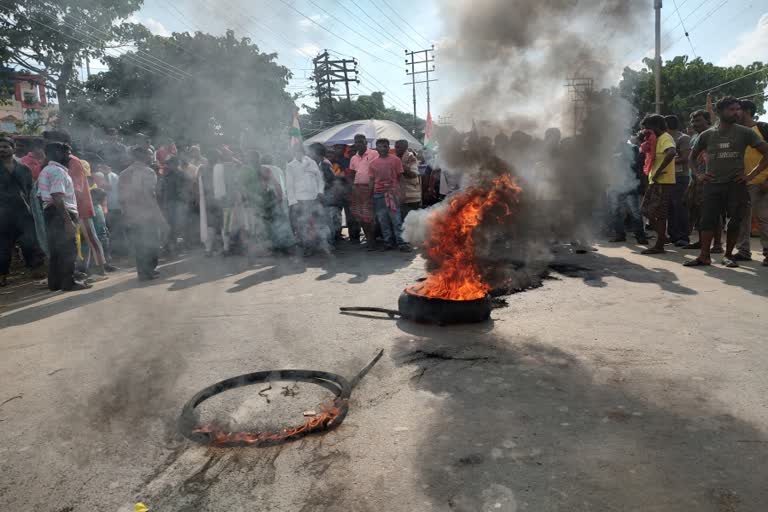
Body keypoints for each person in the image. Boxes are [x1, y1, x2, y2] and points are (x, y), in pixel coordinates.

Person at [685, 96, 768, 268]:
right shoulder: (707, 135)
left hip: (736, 184)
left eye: (738, 109)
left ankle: (728, 255)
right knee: (707, 221)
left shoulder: (746, 132)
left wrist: (751, 175)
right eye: (732, 109)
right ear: (719, 112)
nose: (737, 112)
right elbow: (691, 158)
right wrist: (699, 175)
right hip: (712, 184)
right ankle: (704, 256)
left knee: (735, 221)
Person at [43, 131, 113, 276]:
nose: (46, 143)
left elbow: (77, 187)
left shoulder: (71, 161)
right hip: (68, 206)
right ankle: (83, 270)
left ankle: (100, 270)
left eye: (50, 140)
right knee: (79, 241)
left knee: (90, 237)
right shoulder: (56, 162)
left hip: (79, 206)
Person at [37, 142, 90, 291]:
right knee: (68, 250)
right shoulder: (58, 172)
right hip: (61, 213)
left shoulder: (46, 170)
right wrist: (67, 221)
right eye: (68, 153)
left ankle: (55, 283)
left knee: (56, 250)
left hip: (51, 213)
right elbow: (57, 196)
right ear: (57, 154)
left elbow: (43, 197)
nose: (70, 157)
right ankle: (69, 282)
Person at [0, 136, 45, 287]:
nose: (2, 149)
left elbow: (29, 190)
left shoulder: (23, 168)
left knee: (30, 242)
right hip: (2, 214)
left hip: (23, 212)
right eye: (0, 147)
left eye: (5, 146)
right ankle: (2, 275)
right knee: (3, 245)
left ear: (12, 149)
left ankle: (35, 269)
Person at [119, 147, 165, 281]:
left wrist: (125, 213)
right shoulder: (148, 172)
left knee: (139, 244)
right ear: (144, 156)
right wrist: (159, 216)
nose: (152, 157)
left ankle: (143, 272)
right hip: (146, 214)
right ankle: (148, 271)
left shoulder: (123, 173)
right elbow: (149, 196)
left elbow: (121, 197)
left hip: (131, 214)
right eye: (150, 155)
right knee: (152, 243)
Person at [683, 110, 723, 253]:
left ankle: (717, 244)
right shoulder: (694, 137)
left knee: (714, 212)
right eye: (693, 121)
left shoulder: (714, 134)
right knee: (699, 211)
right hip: (696, 178)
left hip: (711, 178)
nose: (694, 124)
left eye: (698, 121)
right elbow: (692, 159)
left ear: (708, 120)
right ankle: (701, 241)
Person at [735, 99, 768, 265]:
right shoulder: (737, 132)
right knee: (742, 218)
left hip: (762, 182)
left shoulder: (763, 128)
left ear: (746, 111)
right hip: (742, 182)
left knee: (764, 218)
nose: (734, 113)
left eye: (737, 109)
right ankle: (743, 251)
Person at [639, 115, 677, 255]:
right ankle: (663, 238)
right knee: (646, 211)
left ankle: (660, 245)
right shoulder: (655, 140)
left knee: (659, 214)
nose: (645, 131)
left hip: (663, 181)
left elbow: (672, 152)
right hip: (656, 181)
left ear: (656, 127)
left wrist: (659, 171)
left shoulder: (665, 138)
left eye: (647, 128)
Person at [285, 143, 328, 255]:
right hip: (299, 200)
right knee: (301, 224)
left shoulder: (311, 163)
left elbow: (320, 179)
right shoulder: (290, 166)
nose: (298, 153)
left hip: (313, 198)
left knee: (313, 223)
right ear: (293, 153)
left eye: (300, 151)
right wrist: (293, 202)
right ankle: (305, 247)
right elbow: (289, 186)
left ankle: (316, 246)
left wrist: (320, 192)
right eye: (296, 151)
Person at [369, 138, 412, 251]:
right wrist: (370, 196)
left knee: (396, 219)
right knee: (383, 220)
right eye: (380, 146)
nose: (383, 148)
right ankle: (388, 242)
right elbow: (372, 181)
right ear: (376, 148)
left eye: (385, 146)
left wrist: (402, 193)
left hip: (393, 194)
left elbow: (400, 178)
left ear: (389, 147)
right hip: (378, 194)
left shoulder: (396, 160)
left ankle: (401, 243)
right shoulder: (373, 163)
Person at [609, 139, 648, 244]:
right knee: (616, 211)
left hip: (629, 184)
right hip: (615, 184)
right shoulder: (610, 149)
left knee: (634, 212)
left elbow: (637, 165)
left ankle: (640, 236)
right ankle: (619, 235)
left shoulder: (633, 148)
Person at [309, 143, 344, 245]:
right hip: (323, 199)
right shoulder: (317, 163)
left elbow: (331, 182)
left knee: (328, 223)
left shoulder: (325, 165)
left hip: (327, 199)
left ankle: (329, 245)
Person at [158, 155, 193, 256]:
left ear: (175, 164)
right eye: (168, 164)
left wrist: (184, 197)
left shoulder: (182, 175)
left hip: (179, 203)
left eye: (170, 163)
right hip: (169, 203)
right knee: (170, 226)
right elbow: (161, 190)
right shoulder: (166, 175)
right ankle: (169, 247)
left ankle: (178, 247)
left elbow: (188, 187)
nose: (168, 165)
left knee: (179, 226)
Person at [665, 115, 691, 247]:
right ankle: (673, 235)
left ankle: (683, 236)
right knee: (669, 208)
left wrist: (663, 163)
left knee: (680, 207)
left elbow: (685, 158)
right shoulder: (665, 139)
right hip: (667, 177)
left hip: (680, 177)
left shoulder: (683, 138)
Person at [349, 134, 379, 248]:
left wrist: (373, 188)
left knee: (369, 216)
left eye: (361, 142)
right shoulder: (353, 158)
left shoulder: (374, 154)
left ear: (366, 142)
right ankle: (368, 239)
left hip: (370, 187)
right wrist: (352, 188)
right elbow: (352, 174)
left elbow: (377, 171)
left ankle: (372, 241)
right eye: (356, 142)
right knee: (360, 216)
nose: (358, 144)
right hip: (357, 189)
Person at [395, 140, 421, 221]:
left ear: (405, 147)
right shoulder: (397, 158)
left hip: (411, 198)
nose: (396, 149)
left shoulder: (411, 157)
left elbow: (414, 174)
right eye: (396, 147)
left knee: (410, 223)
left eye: (398, 147)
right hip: (401, 198)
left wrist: (400, 165)